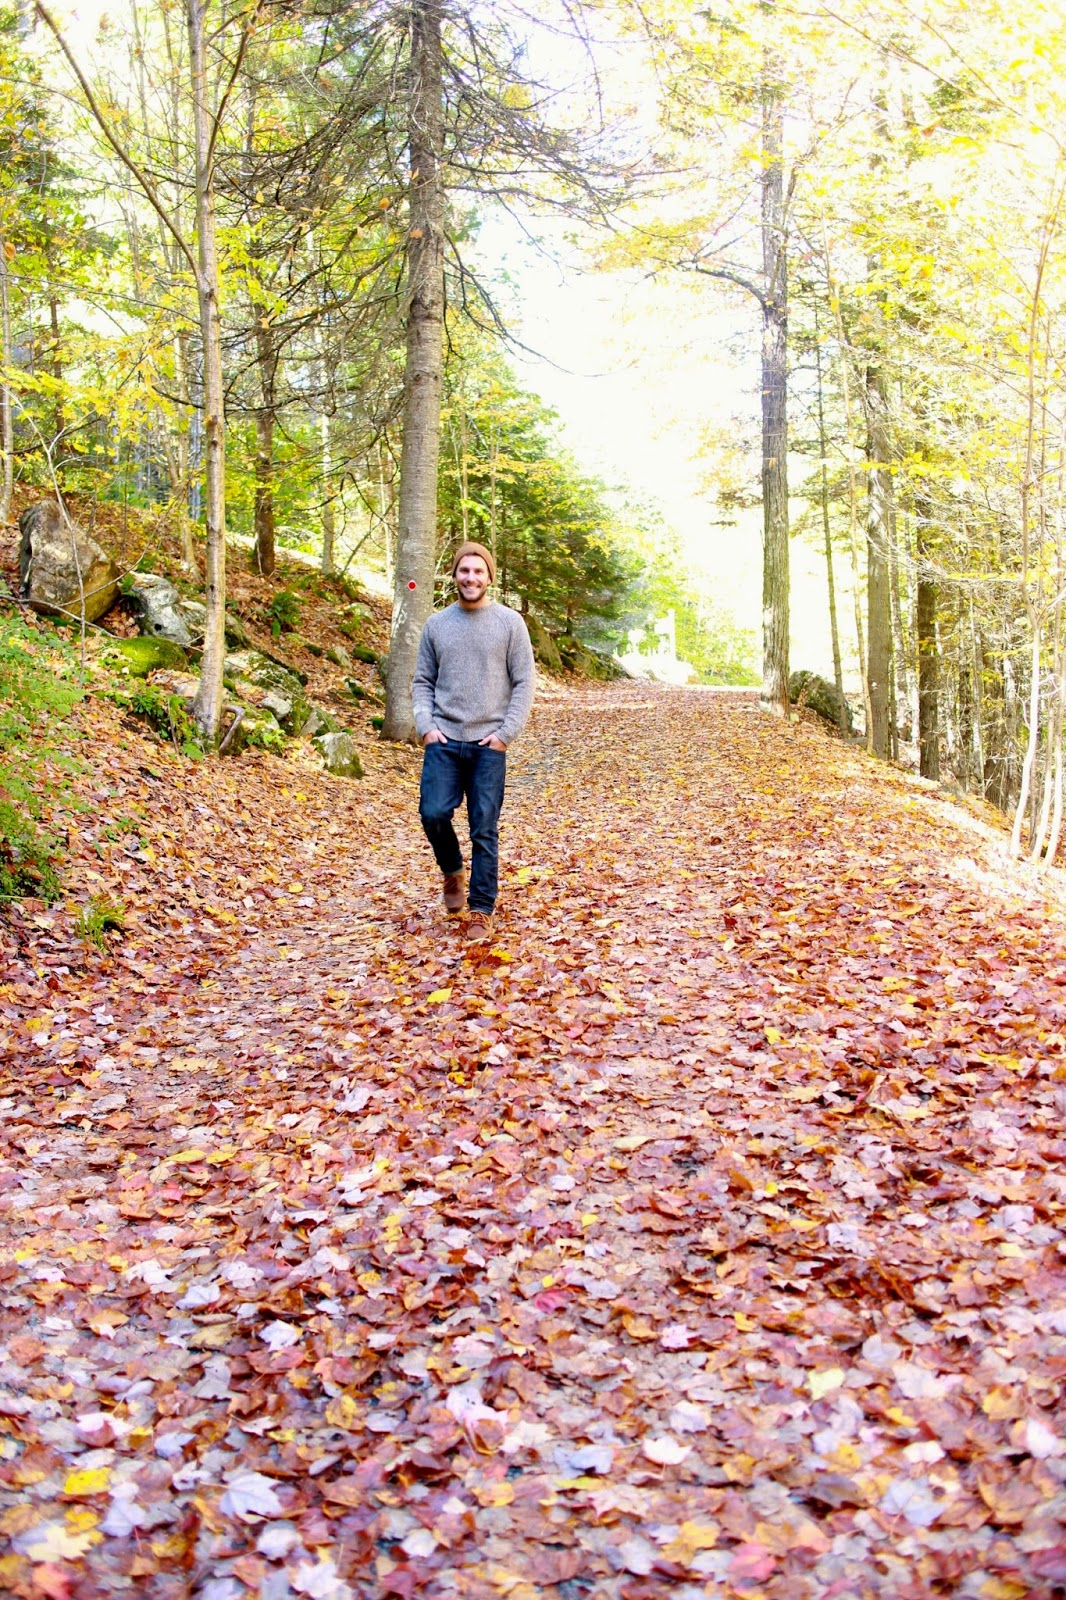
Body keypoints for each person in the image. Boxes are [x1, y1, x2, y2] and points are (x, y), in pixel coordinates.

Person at [412, 541, 535, 934]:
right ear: (454, 576)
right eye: (464, 571)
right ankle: (452, 871)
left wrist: (505, 734)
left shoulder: (510, 623)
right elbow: (422, 682)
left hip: (488, 744)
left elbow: (524, 683)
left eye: (478, 571)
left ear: (489, 577)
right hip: (444, 740)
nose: (471, 577)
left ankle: (481, 907)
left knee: (484, 826)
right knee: (432, 813)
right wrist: (426, 726)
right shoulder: (437, 625)